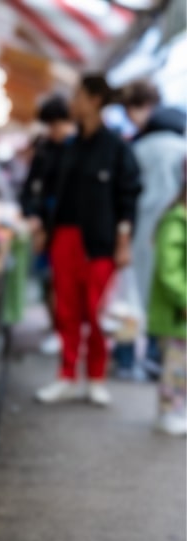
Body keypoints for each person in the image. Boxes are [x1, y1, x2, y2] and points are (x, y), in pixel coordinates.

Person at [35, 74, 142, 406]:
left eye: (78, 96)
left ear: (94, 100)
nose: (73, 102)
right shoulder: (68, 147)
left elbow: (128, 198)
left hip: (101, 243)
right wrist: (43, 227)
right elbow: (49, 191)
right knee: (66, 310)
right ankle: (66, 375)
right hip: (64, 237)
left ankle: (96, 377)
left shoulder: (117, 148)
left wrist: (123, 242)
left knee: (97, 313)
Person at [116, 80, 187, 380]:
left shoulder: (137, 148)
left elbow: (125, 193)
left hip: (137, 233)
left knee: (129, 299)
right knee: (162, 297)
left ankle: (126, 360)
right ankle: (159, 360)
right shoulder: (181, 148)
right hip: (171, 229)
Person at [20, 95, 75, 356]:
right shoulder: (45, 150)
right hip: (45, 225)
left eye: (57, 124)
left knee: (60, 283)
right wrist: (34, 217)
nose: (54, 131)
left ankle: (63, 331)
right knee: (48, 282)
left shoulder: (76, 149)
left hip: (65, 228)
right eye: (50, 125)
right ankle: (57, 327)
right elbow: (30, 188)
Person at [149, 182, 186, 436]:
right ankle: (168, 411)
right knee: (176, 366)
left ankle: (176, 410)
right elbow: (168, 270)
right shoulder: (175, 222)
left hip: (179, 309)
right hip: (176, 311)